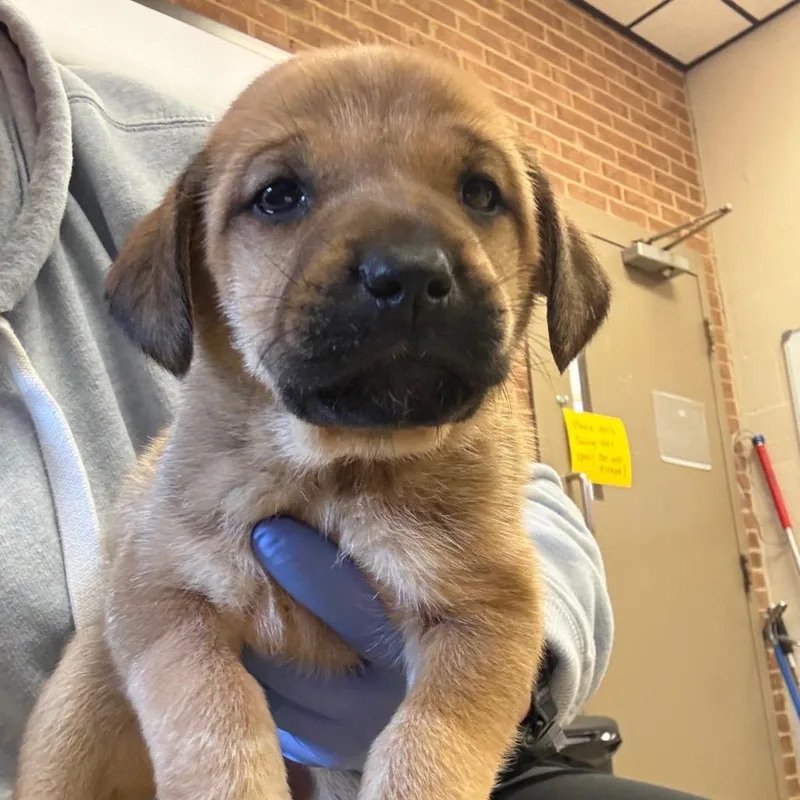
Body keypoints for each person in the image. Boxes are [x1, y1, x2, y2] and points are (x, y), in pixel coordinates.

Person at [0, 2, 703, 797]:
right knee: (92, 669)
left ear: (544, 260)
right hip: (131, 744)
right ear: (190, 268)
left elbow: (520, 569)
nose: (407, 261)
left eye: (477, 191)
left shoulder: (159, 133)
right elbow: (152, 599)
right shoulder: (197, 412)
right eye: (280, 199)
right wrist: (217, 758)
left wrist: (480, 697)